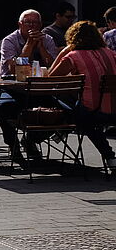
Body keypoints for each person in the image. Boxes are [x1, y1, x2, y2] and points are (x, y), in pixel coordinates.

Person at [47, 20, 116, 164]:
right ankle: (109, 157)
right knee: (79, 110)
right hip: (113, 109)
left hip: (92, 111)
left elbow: (51, 79)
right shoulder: (110, 53)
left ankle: (62, 128)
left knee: (61, 103)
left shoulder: (74, 56)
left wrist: (63, 52)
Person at [0, 9, 59, 77]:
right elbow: (13, 69)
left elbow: (52, 66)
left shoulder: (47, 39)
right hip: (11, 80)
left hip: (39, 80)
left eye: (35, 22)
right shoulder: (9, 41)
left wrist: (41, 48)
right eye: (27, 22)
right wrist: (29, 45)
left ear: (40, 25)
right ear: (20, 24)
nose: (31, 25)